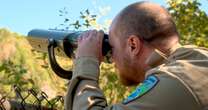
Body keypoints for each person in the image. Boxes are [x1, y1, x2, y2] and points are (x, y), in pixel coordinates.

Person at [65, 1, 208, 110]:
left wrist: (86, 60)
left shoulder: (178, 79)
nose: (111, 59)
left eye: (112, 48)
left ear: (133, 45)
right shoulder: (195, 60)